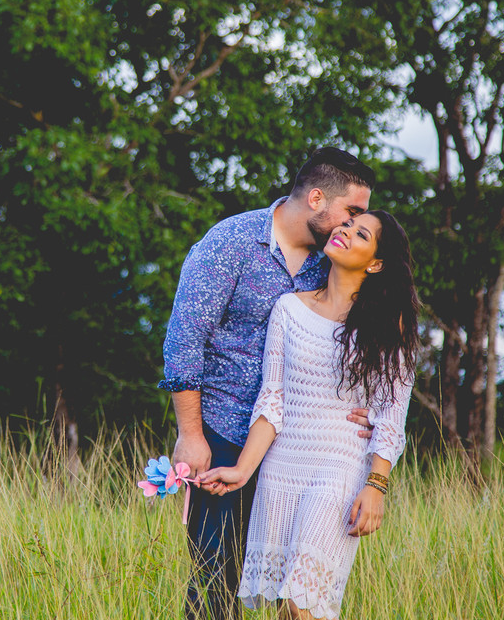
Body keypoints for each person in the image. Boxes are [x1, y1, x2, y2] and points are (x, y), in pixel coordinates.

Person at [159, 147, 378, 620]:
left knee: (294, 596)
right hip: (225, 436)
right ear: (317, 198)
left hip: (300, 452)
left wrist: (364, 409)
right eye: (352, 212)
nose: (352, 224)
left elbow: (368, 345)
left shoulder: (335, 260)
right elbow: (183, 341)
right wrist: (191, 435)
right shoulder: (231, 243)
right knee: (216, 579)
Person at [199, 209, 421, 620]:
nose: (345, 232)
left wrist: (376, 485)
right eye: (347, 225)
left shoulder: (390, 325)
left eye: (361, 234)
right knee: (287, 610)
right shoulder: (288, 309)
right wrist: (243, 470)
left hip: (339, 466)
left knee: (305, 603)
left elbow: (393, 414)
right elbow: (272, 400)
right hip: (282, 467)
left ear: (375, 263)